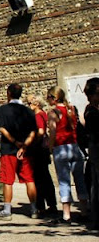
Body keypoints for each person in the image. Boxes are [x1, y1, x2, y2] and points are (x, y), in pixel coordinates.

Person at [0, 83, 38, 221]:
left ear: (8, 93)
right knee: (29, 179)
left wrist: (14, 141)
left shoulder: (3, 110)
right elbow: (33, 131)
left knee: (8, 181)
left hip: (8, 149)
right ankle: (34, 209)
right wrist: (24, 145)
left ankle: (7, 211)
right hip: (27, 151)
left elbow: (2, 129)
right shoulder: (28, 111)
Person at [47, 86, 89, 224]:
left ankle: (66, 215)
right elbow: (80, 124)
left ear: (54, 98)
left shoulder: (53, 112)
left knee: (64, 182)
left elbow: (53, 131)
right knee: (80, 180)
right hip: (74, 146)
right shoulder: (71, 108)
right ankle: (84, 212)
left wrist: (50, 147)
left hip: (61, 147)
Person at [27, 94, 58, 217]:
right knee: (46, 178)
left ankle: (41, 206)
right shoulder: (44, 114)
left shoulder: (38, 115)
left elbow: (40, 131)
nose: (29, 105)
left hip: (38, 150)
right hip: (43, 150)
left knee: (39, 179)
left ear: (37, 104)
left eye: (30, 103)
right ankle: (51, 204)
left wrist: (34, 140)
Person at [83, 77, 99, 231]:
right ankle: (95, 218)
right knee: (95, 185)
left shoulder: (91, 110)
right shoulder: (91, 111)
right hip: (95, 150)